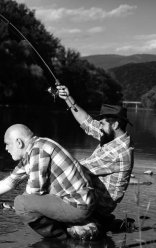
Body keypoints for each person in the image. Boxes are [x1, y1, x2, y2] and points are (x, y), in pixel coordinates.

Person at [0, 124, 97, 239]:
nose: (6, 149)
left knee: (21, 203)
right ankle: (72, 228)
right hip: (79, 203)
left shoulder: (38, 150)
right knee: (23, 202)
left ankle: (60, 238)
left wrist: (17, 206)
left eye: (7, 144)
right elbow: (10, 182)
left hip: (76, 205)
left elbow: (35, 191)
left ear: (19, 142)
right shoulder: (34, 150)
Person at [56, 84, 134, 228]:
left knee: (55, 184)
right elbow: (87, 122)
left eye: (102, 124)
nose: (99, 126)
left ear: (115, 125)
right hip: (93, 194)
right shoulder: (113, 136)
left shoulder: (118, 151)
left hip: (98, 207)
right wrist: (68, 98)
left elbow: (77, 168)